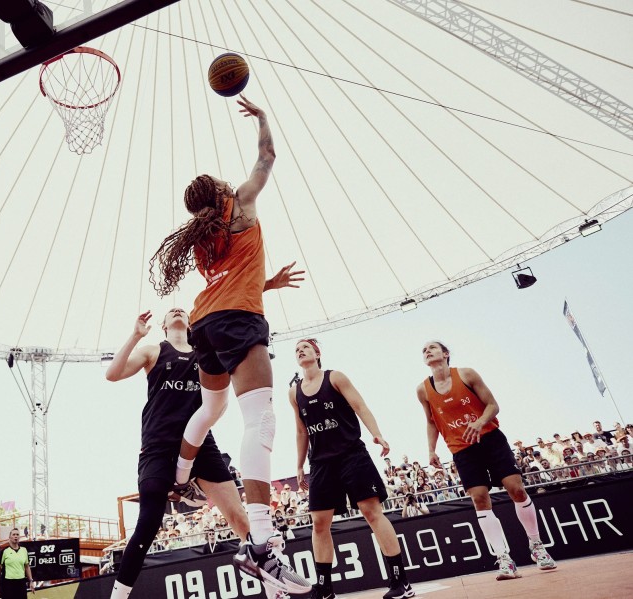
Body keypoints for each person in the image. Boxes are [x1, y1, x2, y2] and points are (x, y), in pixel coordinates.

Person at [148, 95, 311, 598]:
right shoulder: (239, 205)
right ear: (219, 191)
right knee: (259, 420)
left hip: (206, 324)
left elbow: (224, 286)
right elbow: (267, 159)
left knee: (213, 404)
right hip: (238, 321)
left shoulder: (201, 238)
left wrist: (268, 284)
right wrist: (262, 117)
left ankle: (180, 472)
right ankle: (261, 543)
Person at [103, 300, 300, 599]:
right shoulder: (154, 350)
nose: (178, 311)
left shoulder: (206, 354)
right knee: (148, 523)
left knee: (238, 515)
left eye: (182, 310)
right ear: (164, 324)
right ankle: (118, 596)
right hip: (159, 443)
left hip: (201, 444)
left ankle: (274, 589)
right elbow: (112, 374)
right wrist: (135, 335)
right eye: (171, 312)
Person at [417, 341, 557, 581]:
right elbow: (431, 421)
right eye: (424, 350)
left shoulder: (466, 374)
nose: (427, 351)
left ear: (446, 354)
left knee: (517, 490)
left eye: (433, 347)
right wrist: (431, 450)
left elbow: (493, 405)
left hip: (490, 439)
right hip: (462, 448)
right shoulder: (423, 390)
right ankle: (504, 558)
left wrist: (480, 422)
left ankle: (537, 546)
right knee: (480, 499)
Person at [290, 338, 413, 599]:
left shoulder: (335, 377)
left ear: (317, 353)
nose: (300, 350)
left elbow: (360, 406)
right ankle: (324, 589)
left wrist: (377, 434)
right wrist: (299, 464)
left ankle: (401, 582)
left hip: (351, 454)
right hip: (321, 462)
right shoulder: (294, 392)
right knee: (319, 523)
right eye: (297, 349)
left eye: (306, 347)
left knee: (372, 512)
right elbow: (301, 431)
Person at [0, 528, 33, 599]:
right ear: (10, 537)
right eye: (13, 534)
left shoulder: (24, 550)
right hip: (8, 584)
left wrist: (31, 581)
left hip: (21, 583)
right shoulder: (4, 551)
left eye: (17, 534)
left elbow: (27, 566)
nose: (16, 536)